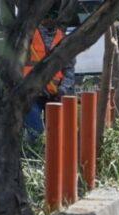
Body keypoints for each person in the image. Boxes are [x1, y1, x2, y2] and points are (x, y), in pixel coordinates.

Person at [23, 12, 75, 142]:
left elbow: (69, 71)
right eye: (48, 16)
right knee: (35, 132)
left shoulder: (63, 39)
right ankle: (33, 160)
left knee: (56, 134)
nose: (50, 20)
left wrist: (62, 90)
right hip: (31, 94)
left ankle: (47, 160)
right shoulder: (28, 38)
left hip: (54, 95)